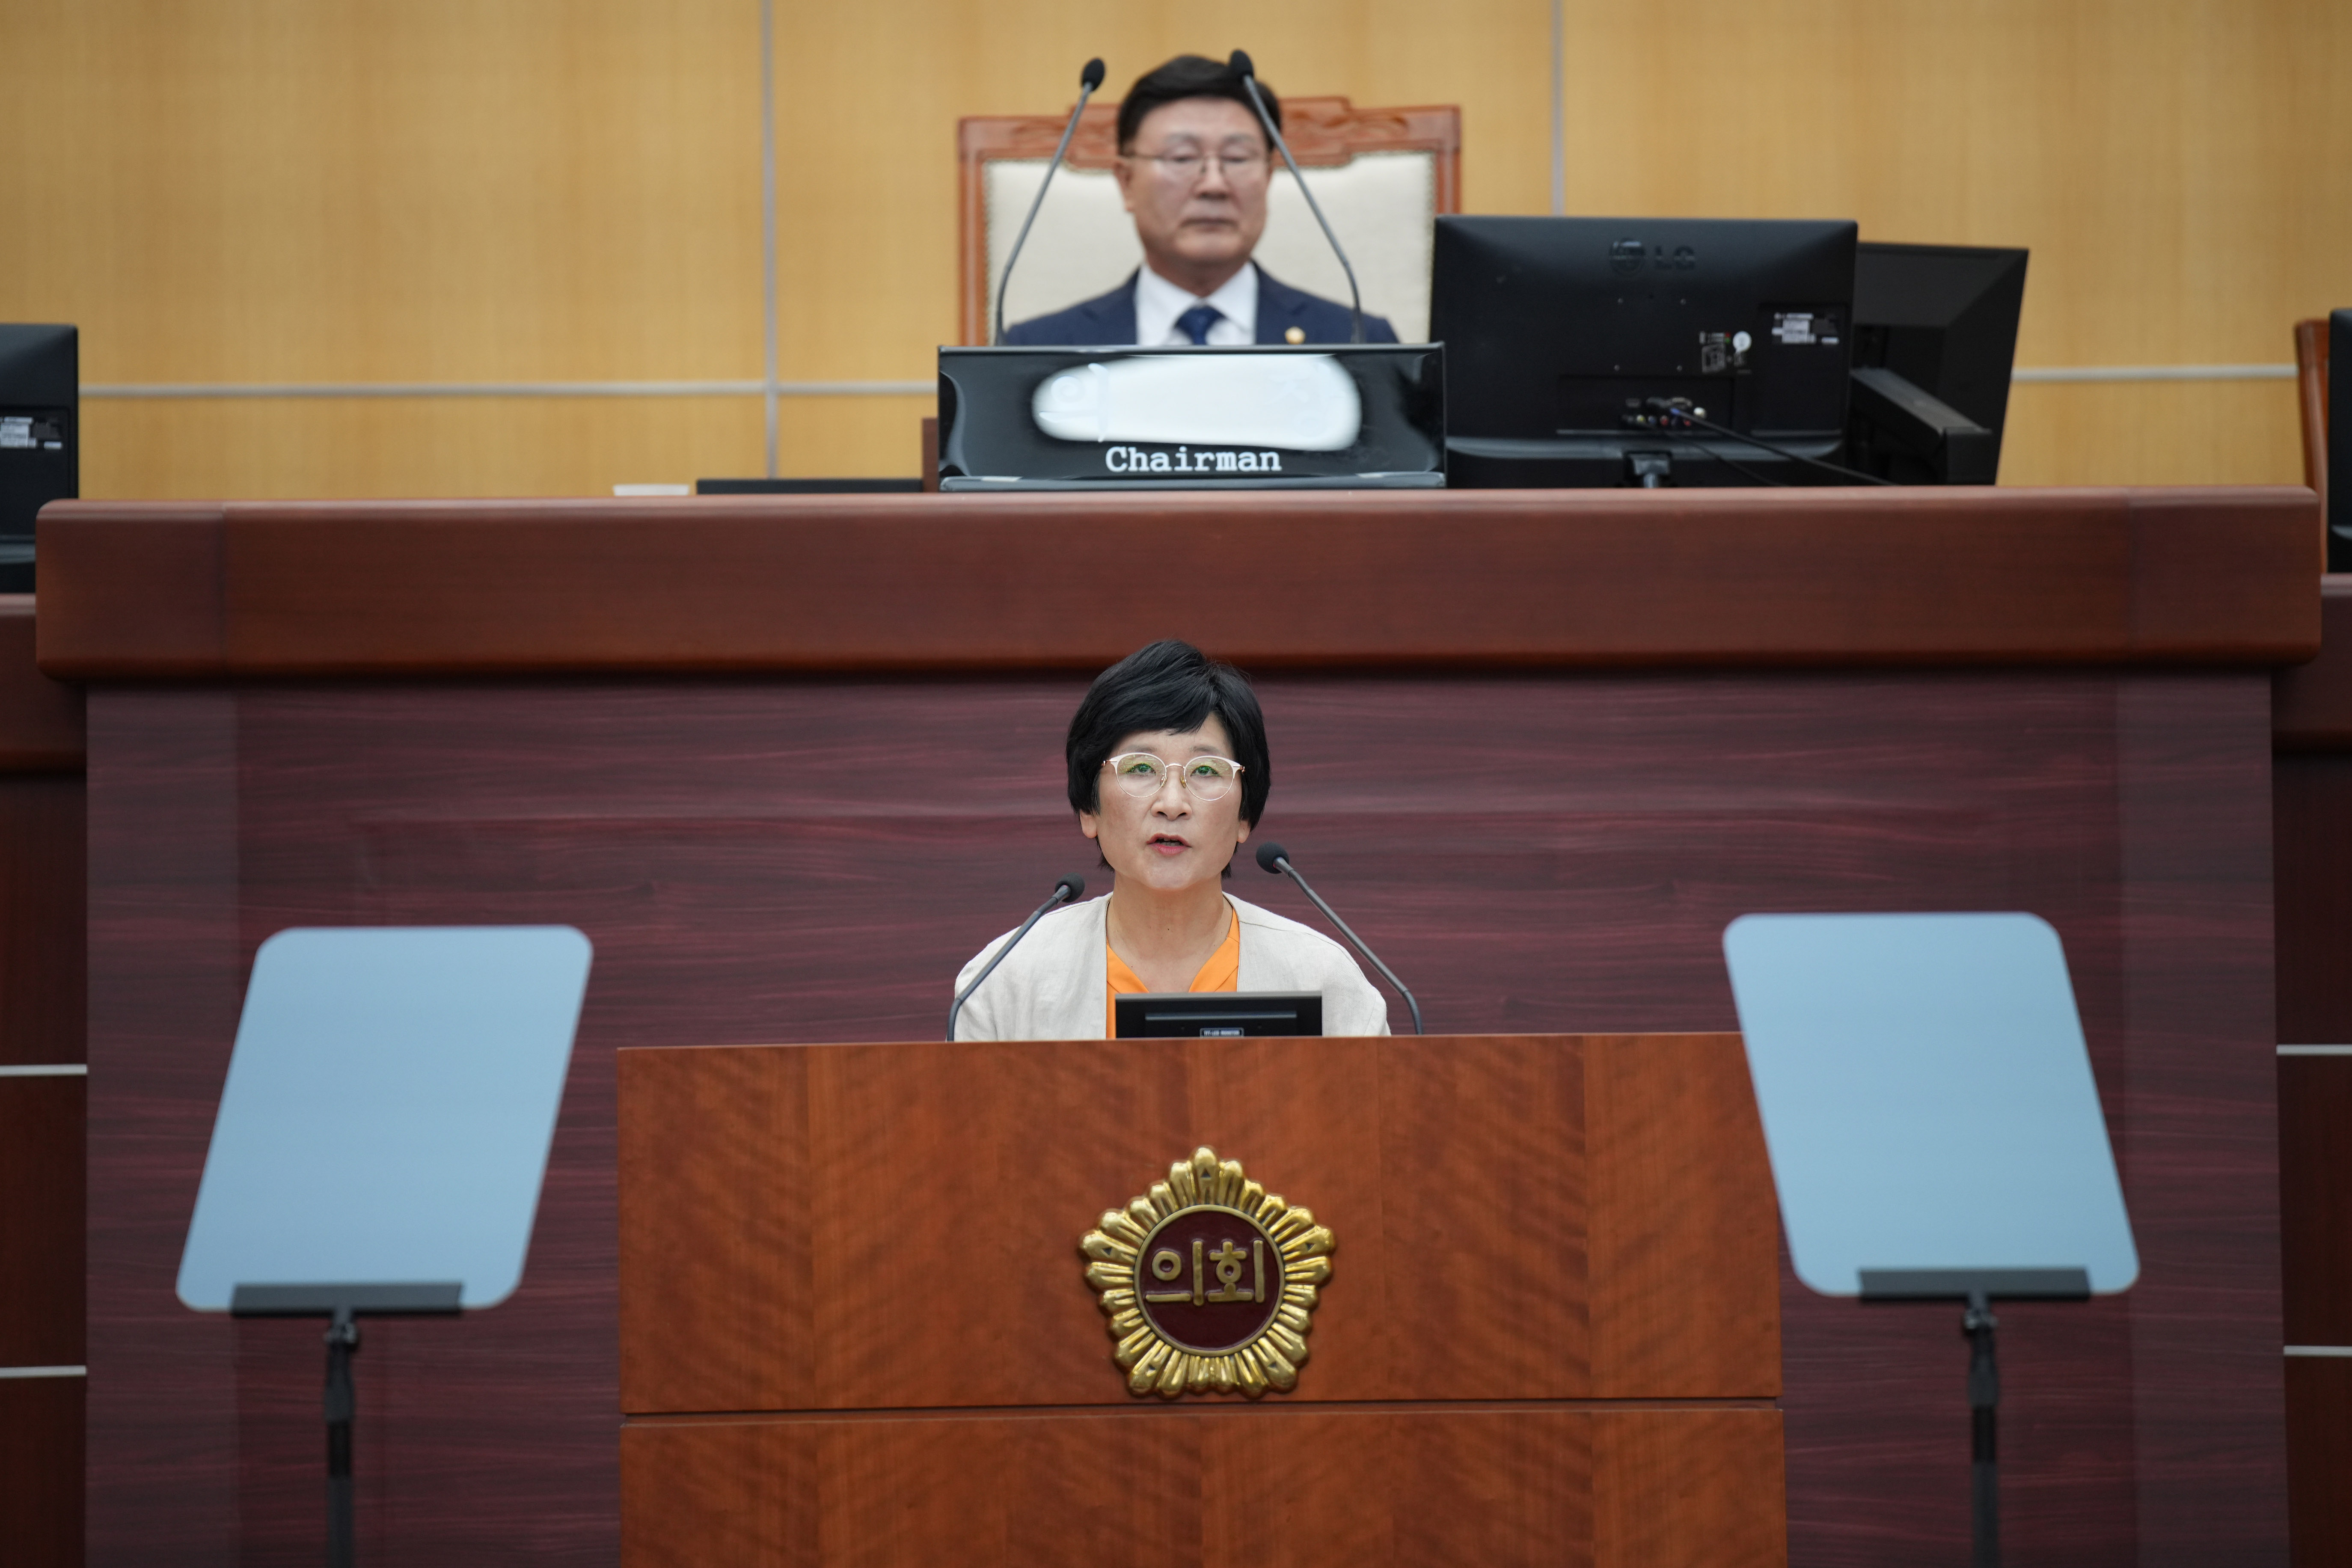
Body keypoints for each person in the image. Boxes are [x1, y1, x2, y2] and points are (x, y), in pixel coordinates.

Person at [952, 640, 1391, 1039]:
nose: (1172, 803)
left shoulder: (1322, 979)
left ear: (1244, 816)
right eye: (1141, 768)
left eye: (1205, 771)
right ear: (1090, 808)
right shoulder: (1004, 980)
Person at [1001, 55, 1401, 348]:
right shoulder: (1037, 350)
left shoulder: (1359, 343)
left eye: (1237, 158)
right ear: (1126, 182)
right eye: (1182, 159)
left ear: (1268, 177)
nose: (1214, 185)